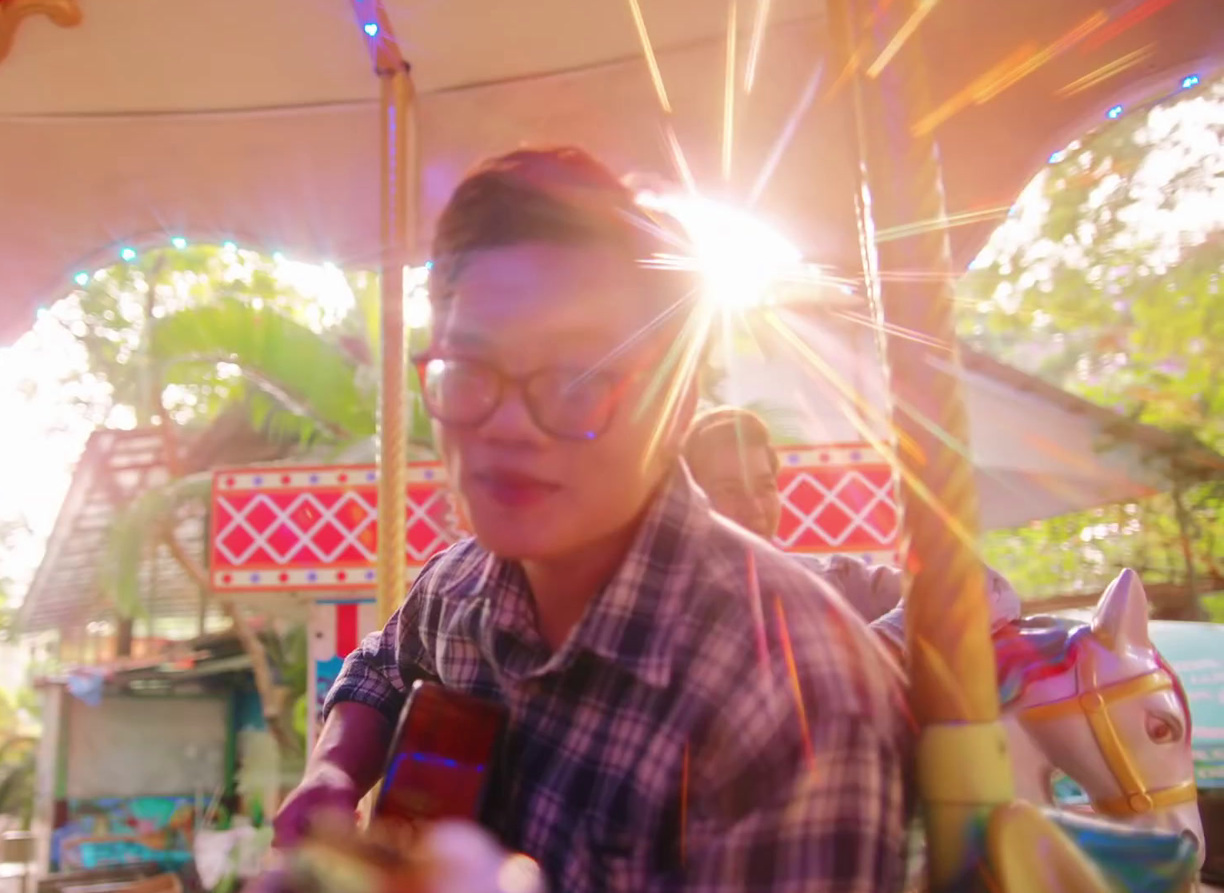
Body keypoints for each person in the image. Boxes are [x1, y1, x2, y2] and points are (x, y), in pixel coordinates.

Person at [273, 148, 912, 892]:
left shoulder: (793, 696)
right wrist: (332, 773)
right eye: (468, 370)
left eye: (577, 377)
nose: (506, 424)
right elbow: (383, 667)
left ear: (674, 401)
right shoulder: (459, 585)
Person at [682, 406, 1022, 646]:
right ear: (691, 500)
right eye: (729, 490)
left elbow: (980, 586)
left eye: (765, 487)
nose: (754, 507)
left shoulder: (834, 580)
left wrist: (882, 643)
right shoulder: (670, 605)